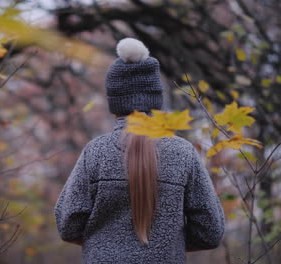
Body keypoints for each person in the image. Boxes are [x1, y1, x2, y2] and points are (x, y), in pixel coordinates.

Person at [54, 38, 225, 263]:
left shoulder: (95, 153)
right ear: (156, 100)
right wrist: (169, 243)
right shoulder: (183, 153)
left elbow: (68, 225)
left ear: (114, 102)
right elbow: (210, 232)